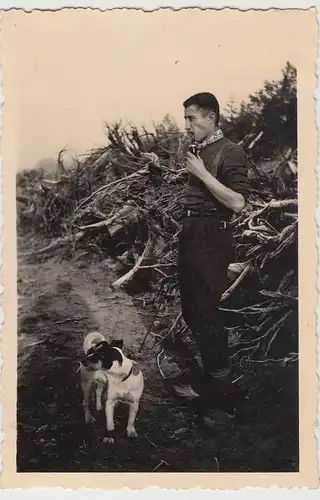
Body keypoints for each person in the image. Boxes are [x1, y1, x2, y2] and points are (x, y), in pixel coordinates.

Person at [174, 92, 250, 427]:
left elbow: (237, 203)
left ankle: (225, 403)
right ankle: (209, 385)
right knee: (192, 311)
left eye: (192, 117)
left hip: (212, 241)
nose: (188, 124)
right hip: (191, 236)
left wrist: (203, 174)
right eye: (187, 118)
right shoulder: (199, 152)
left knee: (208, 315)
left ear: (212, 117)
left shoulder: (231, 151)